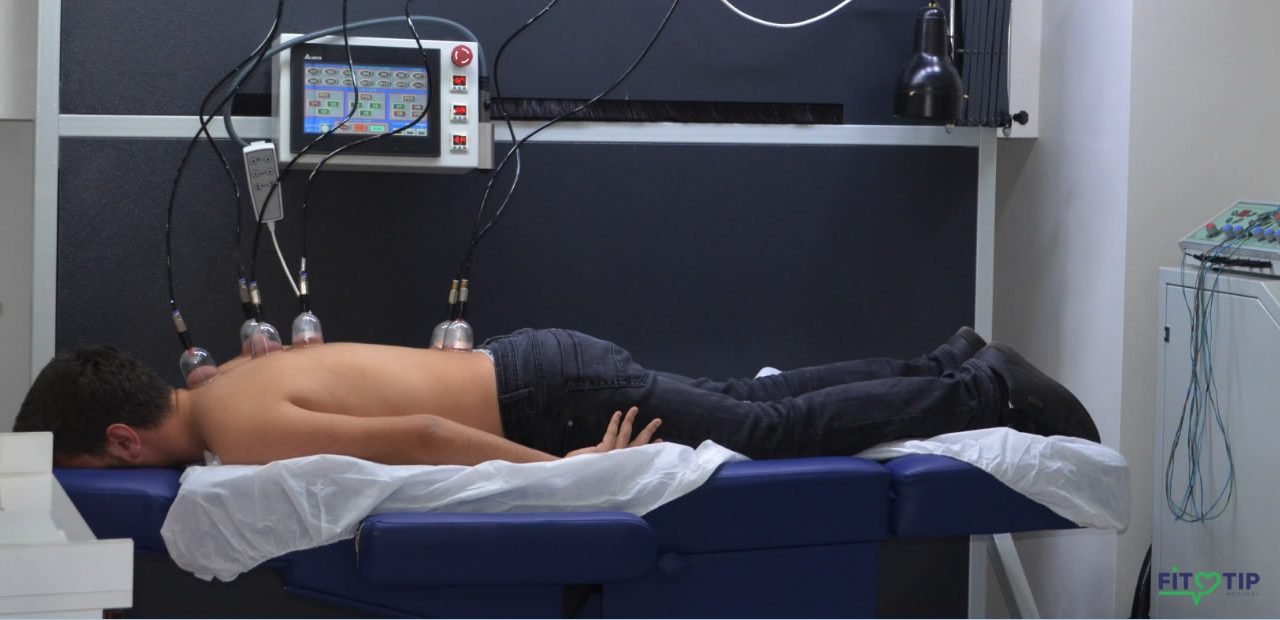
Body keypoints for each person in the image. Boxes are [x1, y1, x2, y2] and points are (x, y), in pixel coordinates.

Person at [12, 327, 1099, 468]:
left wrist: (566, 474)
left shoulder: (235, 427)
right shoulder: (223, 382)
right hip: (536, 365)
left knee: (761, 432)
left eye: (99, 464)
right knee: (742, 399)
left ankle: (983, 388)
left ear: (120, 435)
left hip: (547, 404)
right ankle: (946, 364)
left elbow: (425, 433)